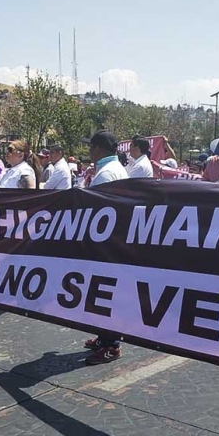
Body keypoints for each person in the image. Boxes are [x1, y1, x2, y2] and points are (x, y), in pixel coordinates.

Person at [83, 130, 129, 365]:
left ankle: (111, 344)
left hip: (105, 243)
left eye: (90, 147)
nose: (88, 151)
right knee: (102, 293)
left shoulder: (107, 173)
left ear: (98, 149)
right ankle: (105, 337)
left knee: (104, 294)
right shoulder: (114, 169)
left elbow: (94, 209)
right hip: (112, 240)